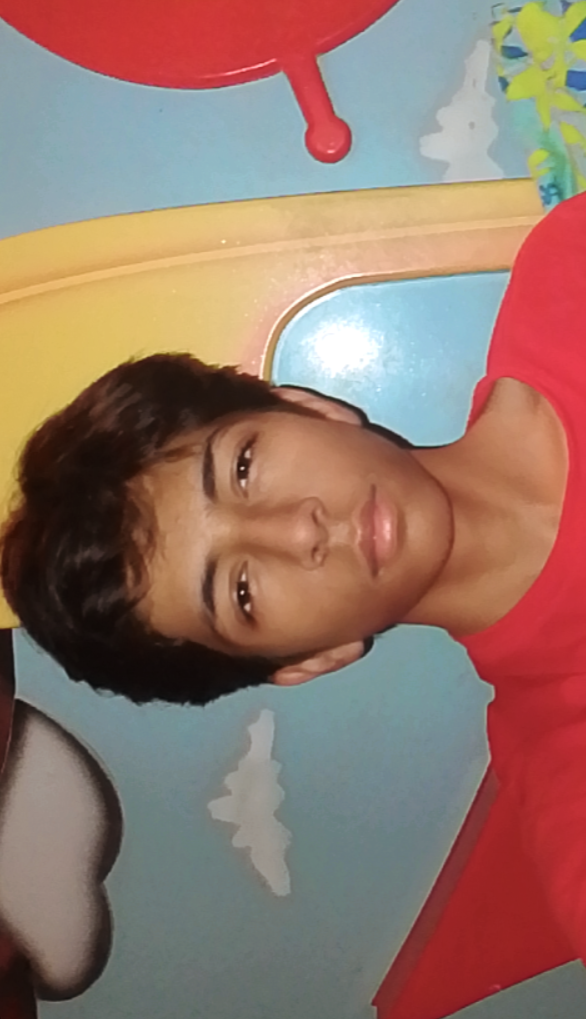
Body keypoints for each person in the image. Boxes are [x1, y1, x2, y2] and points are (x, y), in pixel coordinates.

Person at [2, 192, 586, 958]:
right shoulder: (567, 783)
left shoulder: (568, 274)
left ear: (305, 406)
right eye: (240, 591)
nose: (298, 530)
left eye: (243, 467)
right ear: (308, 660)